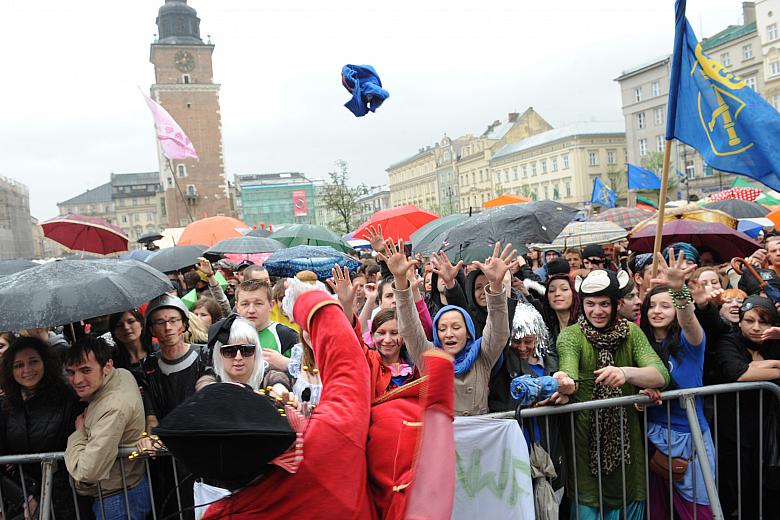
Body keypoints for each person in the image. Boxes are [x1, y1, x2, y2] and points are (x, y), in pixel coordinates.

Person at [557, 268, 669, 519]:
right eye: (591, 304)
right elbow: (568, 375)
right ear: (582, 304)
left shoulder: (631, 332)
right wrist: (562, 382)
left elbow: (661, 375)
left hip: (629, 448)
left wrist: (627, 373)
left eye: (604, 304)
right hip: (585, 448)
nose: (597, 311)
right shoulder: (570, 336)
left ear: (617, 304)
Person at [387, 239, 513, 416]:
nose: (449, 334)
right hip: (442, 439)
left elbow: (499, 332)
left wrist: (496, 286)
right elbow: (409, 329)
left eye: (456, 327)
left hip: (478, 439)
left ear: (468, 333)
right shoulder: (428, 356)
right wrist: (400, 280)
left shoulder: (482, 356)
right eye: (442, 328)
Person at [639, 249, 715, 519]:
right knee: (659, 512)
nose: (657, 311)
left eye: (665, 305)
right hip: (651, 438)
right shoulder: (639, 343)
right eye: (652, 305)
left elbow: (689, 321)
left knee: (700, 511)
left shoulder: (690, 342)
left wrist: (679, 292)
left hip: (689, 437)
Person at [64, 336, 150, 520]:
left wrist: (79, 434)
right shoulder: (122, 375)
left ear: (108, 366)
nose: (77, 379)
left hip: (117, 499)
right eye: (71, 372)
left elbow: (87, 472)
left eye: (85, 370)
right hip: (127, 490)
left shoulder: (112, 407)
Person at [0, 337, 84, 518]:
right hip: (23, 504)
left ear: (45, 362)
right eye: (18, 365)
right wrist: (23, 498)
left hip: (67, 500)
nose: (27, 370)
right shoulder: (5, 407)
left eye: (33, 362)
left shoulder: (67, 398)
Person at [714, 295, 780, 518]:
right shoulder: (728, 341)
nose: (757, 328)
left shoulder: (775, 343)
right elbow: (739, 373)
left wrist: (767, 365)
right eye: (750, 321)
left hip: (769, 432)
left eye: (764, 322)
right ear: (739, 321)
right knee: (736, 489)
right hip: (734, 432)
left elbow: (749, 371)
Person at [199, 315, 290, 392]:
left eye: (246, 350)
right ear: (219, 354)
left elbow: (278, 379)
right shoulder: (212, 377)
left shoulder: (267, 374)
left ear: (256, 352)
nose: (238, 357)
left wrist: (279, 390)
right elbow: (204, 384)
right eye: (230, 351)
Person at [234, 278, 298, 356]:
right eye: (245, 304)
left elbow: (308, 366)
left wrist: (285, 364)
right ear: (237, 307)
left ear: (271, 305)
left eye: (258, 303)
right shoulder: (226, 334)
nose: (251, 310)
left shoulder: (287, 336)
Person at [108, 309, 155, 375]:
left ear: (141, 324)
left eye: (131, 322)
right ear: (114, 332)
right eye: (119, 325)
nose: (126, 327)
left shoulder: (158, 351)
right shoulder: (113, 363)